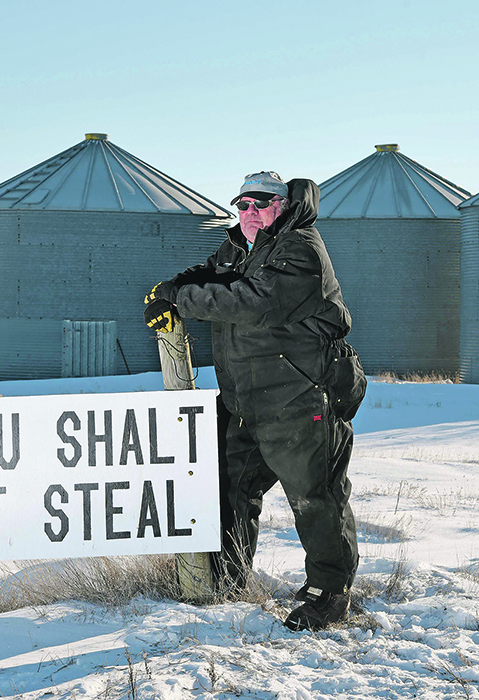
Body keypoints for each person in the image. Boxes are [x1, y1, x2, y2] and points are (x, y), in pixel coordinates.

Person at [144, 171, 366, 631]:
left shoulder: (300, 247)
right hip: (246, 402)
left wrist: (183, 301)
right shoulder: (240, 247)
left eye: (260, 203)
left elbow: (254, 301)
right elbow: (207, 273)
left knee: (314, 496)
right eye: (242, 204)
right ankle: (228, 578)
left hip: (298, 396)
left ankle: (330, 592)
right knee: (227, 488)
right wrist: (168, 290)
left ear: (282, 206)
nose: (249, 213)